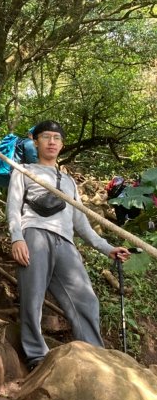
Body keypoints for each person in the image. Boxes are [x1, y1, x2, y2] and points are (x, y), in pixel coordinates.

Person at [7, 120, 130, 372]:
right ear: (36, 141)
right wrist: (17, 237)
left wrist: (108, 248)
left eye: (56, 138)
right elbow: (13, 207)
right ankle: (37, 357)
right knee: (32, 297)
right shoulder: (23, 171)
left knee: (85, 298)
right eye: (46, 137)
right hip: (34, 234)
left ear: (61, 145)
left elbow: (81, 223)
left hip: (65, 242)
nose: (51, 142)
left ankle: (94, 355)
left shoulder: (70, 182)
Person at [0, 127, 37, 192]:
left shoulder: (18, 143)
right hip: (15, 177)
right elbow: (33, 162)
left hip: (2, 177)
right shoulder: (29, 143)